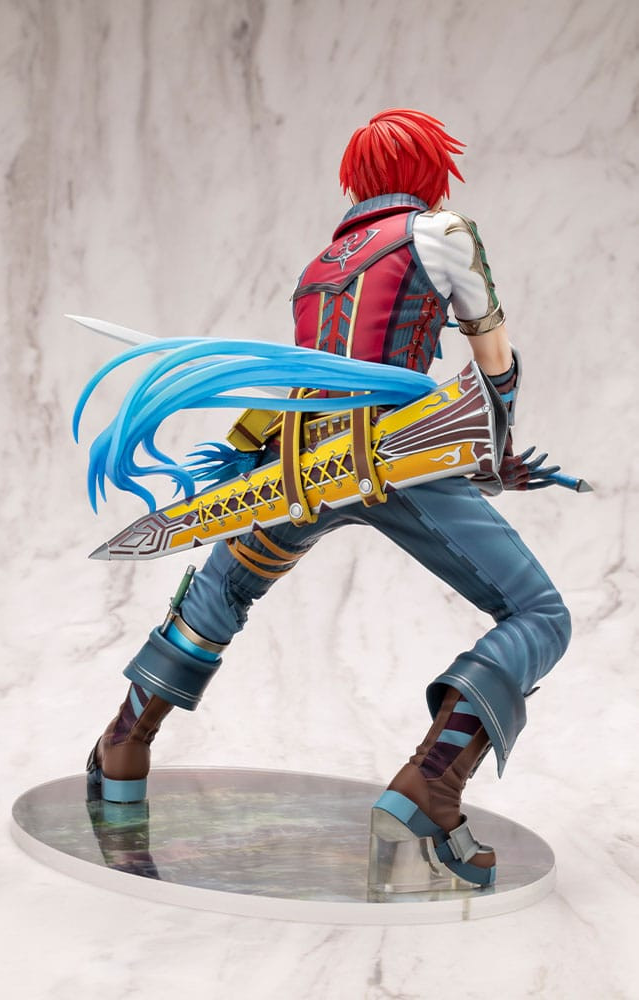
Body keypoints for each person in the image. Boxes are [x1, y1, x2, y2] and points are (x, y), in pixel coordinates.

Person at [86, 108, 571, 887]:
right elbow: (494, 363)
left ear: (357, 180)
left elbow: (305, 372)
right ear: (431, 172)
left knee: (221, 593)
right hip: (392, 458)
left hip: (296, 467)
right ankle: (432, 785)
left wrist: (253, 467)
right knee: (539, 615)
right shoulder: (443, 232)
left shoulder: (317, 265)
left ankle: (123, 744)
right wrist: (492, 453)